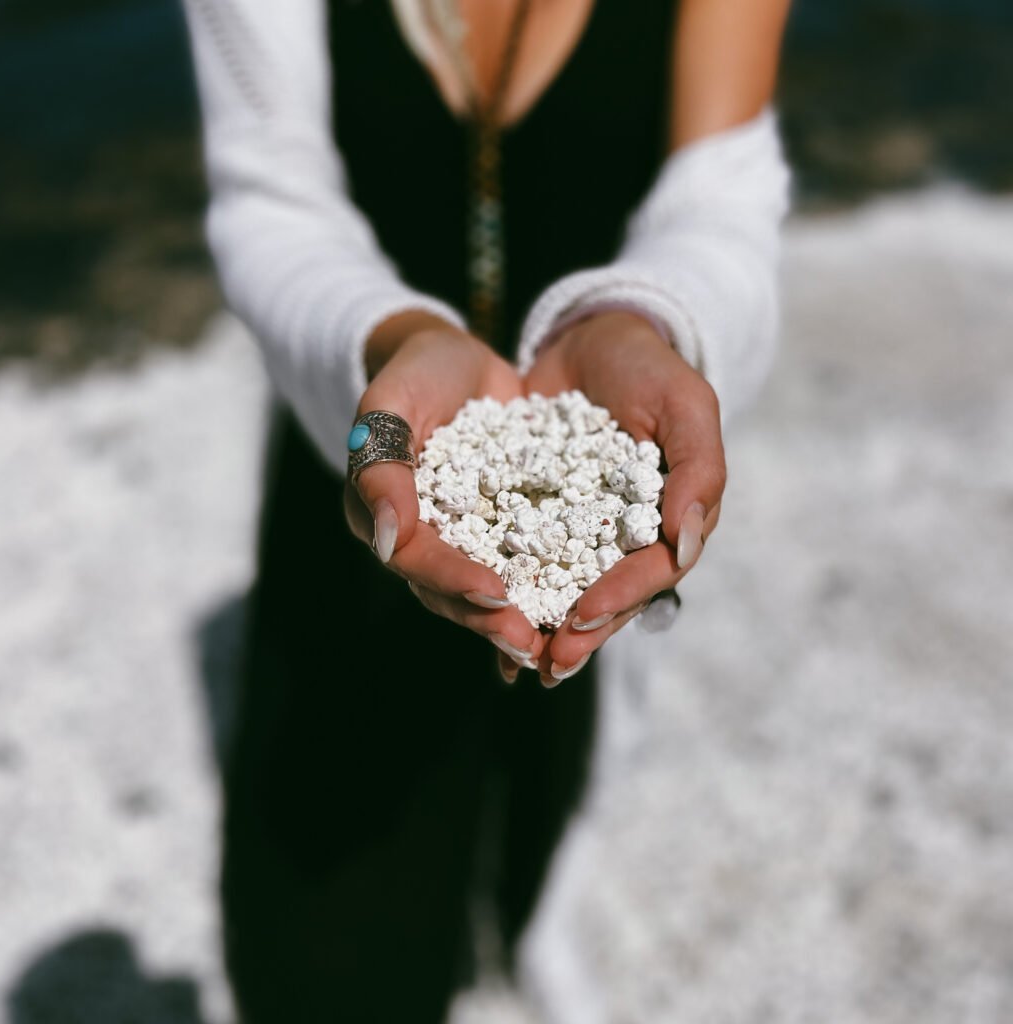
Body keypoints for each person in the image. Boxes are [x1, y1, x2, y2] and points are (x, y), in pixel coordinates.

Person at [182, 0, 792, 1019]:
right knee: (324, 952)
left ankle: (534, 913)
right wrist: (392, 343)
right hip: (368, 445)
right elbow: (268, 200)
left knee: (559, 771)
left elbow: (722, 195)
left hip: (603, 450)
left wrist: (641, 322)